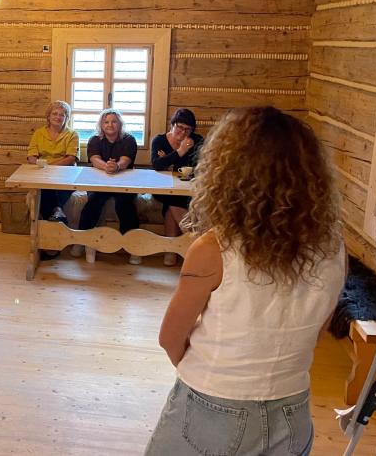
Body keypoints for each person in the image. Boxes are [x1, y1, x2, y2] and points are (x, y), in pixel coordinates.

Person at [145, 107, 345, 456]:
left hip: (213, 406)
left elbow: (170, 338)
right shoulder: (333, 247)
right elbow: (317, 330)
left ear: (227, 173)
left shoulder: (214, 248)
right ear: (312, 175)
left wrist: (210, 378)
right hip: (293, 409)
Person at [72, 109, 141, 264]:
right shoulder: (94, 139)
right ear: (101, 125)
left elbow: (125, 160)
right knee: (93, 201)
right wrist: (107, 166)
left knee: (125, 204)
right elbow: (94, 158)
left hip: (124, 181)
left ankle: (133, 246)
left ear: (120, 124)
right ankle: (81, 240)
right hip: (99, 181)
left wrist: (117, 166)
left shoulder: (129, 139)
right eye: (106, 122)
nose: (110, 125)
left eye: (114, 121)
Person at [150, 108, 203, 266]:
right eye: (180, 127)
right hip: (162, 187)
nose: (183, 132)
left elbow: (199, 165)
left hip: (187, 188)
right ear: (172, 124)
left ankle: (171, 251)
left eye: (188, 129)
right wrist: (180, 151)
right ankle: (195, 243)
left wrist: (167, 159)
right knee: (172, 198)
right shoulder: (159, 140)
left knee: (171, 204)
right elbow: (157, 165)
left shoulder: (197, 141)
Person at [26, 100, 79, 224]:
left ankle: (51, 222)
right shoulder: (39, 133)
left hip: (66, 173)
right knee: (45, 185)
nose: (58, 117)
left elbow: (71, 158)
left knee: (48, 188)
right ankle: (58, 212)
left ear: (66, 118)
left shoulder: (72, 134)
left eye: (62, 115)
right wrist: (41, 166)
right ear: (48, 116)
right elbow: (31, 156)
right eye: (54, 114)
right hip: (42, 172)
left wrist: (48, 167)